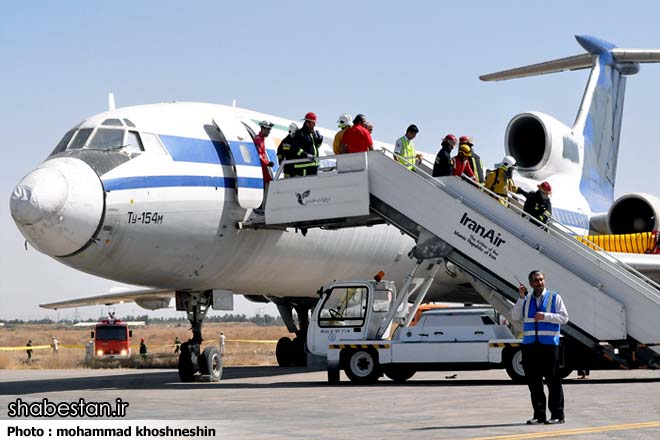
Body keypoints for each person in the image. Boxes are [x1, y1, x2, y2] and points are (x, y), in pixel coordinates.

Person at [510, 270, 569, 425]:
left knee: (553, 381)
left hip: (549, 345)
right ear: (530, 283)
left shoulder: (554, 297)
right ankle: (539, 415)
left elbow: (564, 318)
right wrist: (521, 298)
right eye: (536, 280)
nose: (539, 283)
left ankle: (558, 415)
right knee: (534, 382)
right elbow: (515, 316)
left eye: (541, 279)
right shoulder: (526, 299)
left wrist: (546, 316)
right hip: (530, 346)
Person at [291, 112, 323, 176]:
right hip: (303, 168)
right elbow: (296, 149)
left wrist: (319, 141)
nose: (314, 125)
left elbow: (315, 147)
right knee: (305, 186)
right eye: (313, 123)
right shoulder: (300, 133)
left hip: (313, 167)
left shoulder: (312, 134)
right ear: (307, 123)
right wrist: (306, 155)